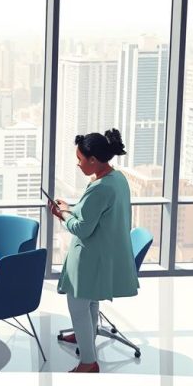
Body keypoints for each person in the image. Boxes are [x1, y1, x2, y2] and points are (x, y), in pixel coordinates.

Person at [50, 129, 138, 373]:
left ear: (93, 160)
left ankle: (88, 362)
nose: (78, 164)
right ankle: (83, 338)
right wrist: (72, 206)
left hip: (92, 258)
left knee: (78, 306)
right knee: (90, 302)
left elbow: (82, 228)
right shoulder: (116, 178)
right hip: (106, 253)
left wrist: (62, 214)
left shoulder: (100, 188)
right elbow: (92, 212)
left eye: (80, 159)